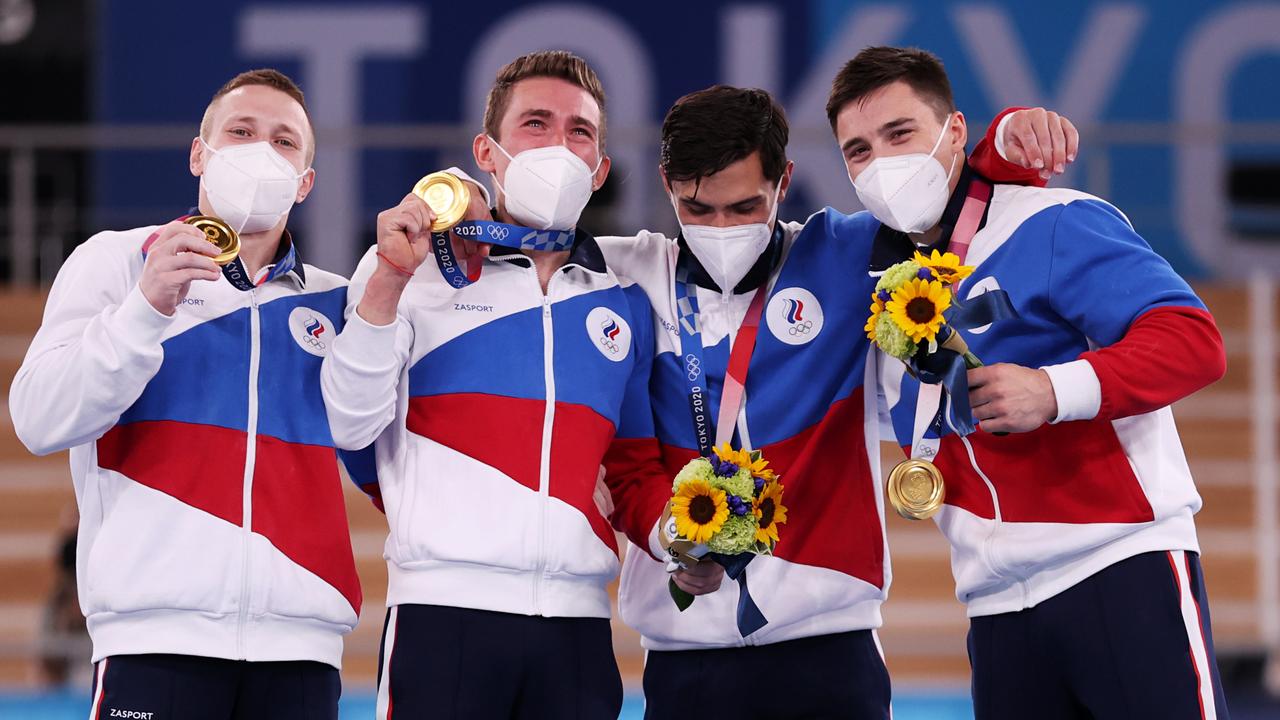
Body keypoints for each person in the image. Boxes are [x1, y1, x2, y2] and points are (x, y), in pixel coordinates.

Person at [583, 86, 1075, 719]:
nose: (723, 229)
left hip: (832, 654)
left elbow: (948, 197)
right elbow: (514, 242)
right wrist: (673, 540)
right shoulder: (621, 276)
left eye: (745, 206)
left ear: (784, 181)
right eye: (698, 209)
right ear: (666, 184)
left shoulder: (842, 257)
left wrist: (1011, 138)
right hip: (686, 659)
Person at [828, 46, 1229, 719]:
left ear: (955, 131)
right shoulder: (867, 277)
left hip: (1117, 567)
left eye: (901, 134)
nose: (882, 164)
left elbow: (1195, 343)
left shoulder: (1053, 222)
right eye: (858, 150)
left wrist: (1054, 391)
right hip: (995, 608)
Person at [319, 50, 685, 720]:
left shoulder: (622, 301)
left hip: (578, 631)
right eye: (535, 124)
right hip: (443, 618)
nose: (558, 145)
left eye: (579, 132)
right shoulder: (414, 269)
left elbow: (632, 473)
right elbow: (347, 423)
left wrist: (680, 539)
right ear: (487, 153)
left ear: (600, 168)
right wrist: (389, 284)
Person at [9, 69, 361, 719]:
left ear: (306, 182)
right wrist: (145, 309)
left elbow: (378, 449)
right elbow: (37, 419)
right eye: (241, 131)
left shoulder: (340, 301)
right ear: (200, 152)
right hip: (153, 642)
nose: (261, 151)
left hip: (301, 654)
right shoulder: (116, 261)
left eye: (284, 141)